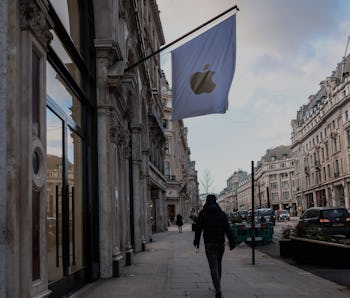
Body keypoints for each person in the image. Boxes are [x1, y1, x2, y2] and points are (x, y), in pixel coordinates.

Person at [193, 194, 235, 298]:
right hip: (220, 243)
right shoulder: (221, 214)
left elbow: (198, 229)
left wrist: (196, 241)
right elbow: (228, 229)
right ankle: (218, 285)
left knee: (213, 266)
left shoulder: (203, 214)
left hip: (209, 243)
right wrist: (232, 241)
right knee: (218, 264)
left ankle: (218, 290)